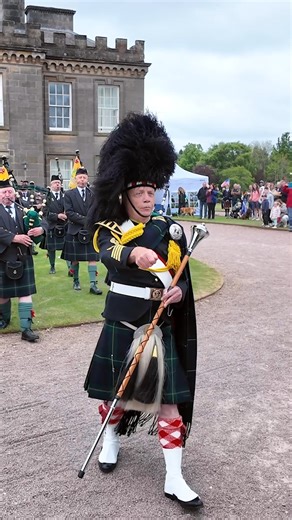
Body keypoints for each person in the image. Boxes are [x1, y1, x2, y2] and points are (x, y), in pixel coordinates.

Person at [83, 112, 203, 510]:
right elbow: (107, 253)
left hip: (158, 326)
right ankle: (112, 441)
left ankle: (174, 477)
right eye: (141, 192)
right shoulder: (109, 226)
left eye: (153, 190)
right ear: (125, 195)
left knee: (169, 403)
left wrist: (179, 293)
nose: (149, 198)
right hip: (121, 321)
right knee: (116, 397)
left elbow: (182, 276)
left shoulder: (170, 229)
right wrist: (133, 252)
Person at [0, 168, 46, 341]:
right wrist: (14, 238)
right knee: (2, 294)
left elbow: (43, 225)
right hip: (3, 257)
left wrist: (40, 229)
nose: (7, 195)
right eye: (4, 192)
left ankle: (26, 328)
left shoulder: (24, 210)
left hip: (23, 257)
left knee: (25, 293)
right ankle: (4, 319)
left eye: (10, 192)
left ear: (15, 193)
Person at [61, 167, 102, 294]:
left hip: (90, 231)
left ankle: (93, 284)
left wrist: (91, 221)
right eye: (80, 177)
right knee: (75, 258)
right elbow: (69, 212)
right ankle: (76, 281)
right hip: (75, 230)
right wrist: (87, 220)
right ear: (76, 179)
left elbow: (97, 210)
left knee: (92, 258)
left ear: (87, 179)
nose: (82, 180)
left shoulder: (93, 193)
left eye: (84, 177)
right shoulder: (69, 194)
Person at [42, 175, 70, 275]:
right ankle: (52, 266)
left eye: (59, 183)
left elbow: (70, 208)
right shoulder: (47, 198)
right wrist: (57, 216)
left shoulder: (66, 196)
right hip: (52, 226)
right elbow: (45, 213)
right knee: (51, 249)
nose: (57, 185)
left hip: (65, 226)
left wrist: (67, 214)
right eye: (55, 183)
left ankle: (70, 269)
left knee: (67, 247)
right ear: (51, 185)